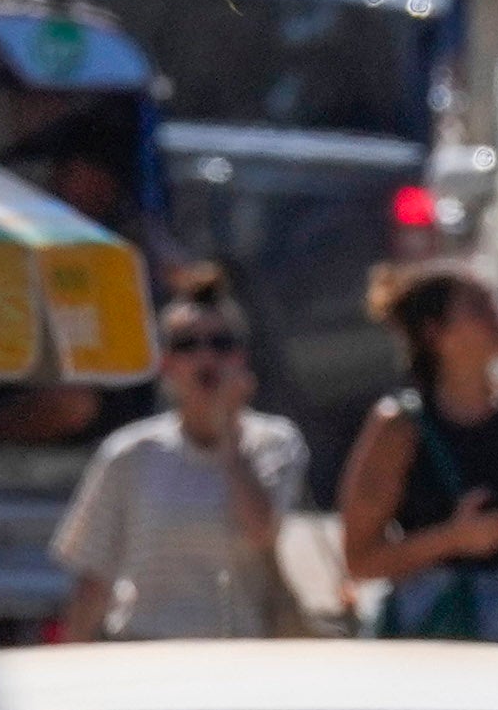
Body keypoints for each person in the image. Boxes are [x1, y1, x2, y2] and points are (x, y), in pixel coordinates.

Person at [337, 264, 498, 645]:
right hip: (435, 624)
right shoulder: (400, 428)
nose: (496, 317)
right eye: (477, 308)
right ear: (436, 333)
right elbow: (361, 559)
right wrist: (453, 540)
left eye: (493, 304)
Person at [49, 268, 308, 640]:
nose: (206, 357)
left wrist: (229, 436)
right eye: (187, 344)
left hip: (240, 656)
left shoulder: (275, 442)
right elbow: (94, 580)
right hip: (148, 653)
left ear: (240, 358)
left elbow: (261, 531)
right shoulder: (130, 453)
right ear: (166, 363)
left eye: (220, 344)